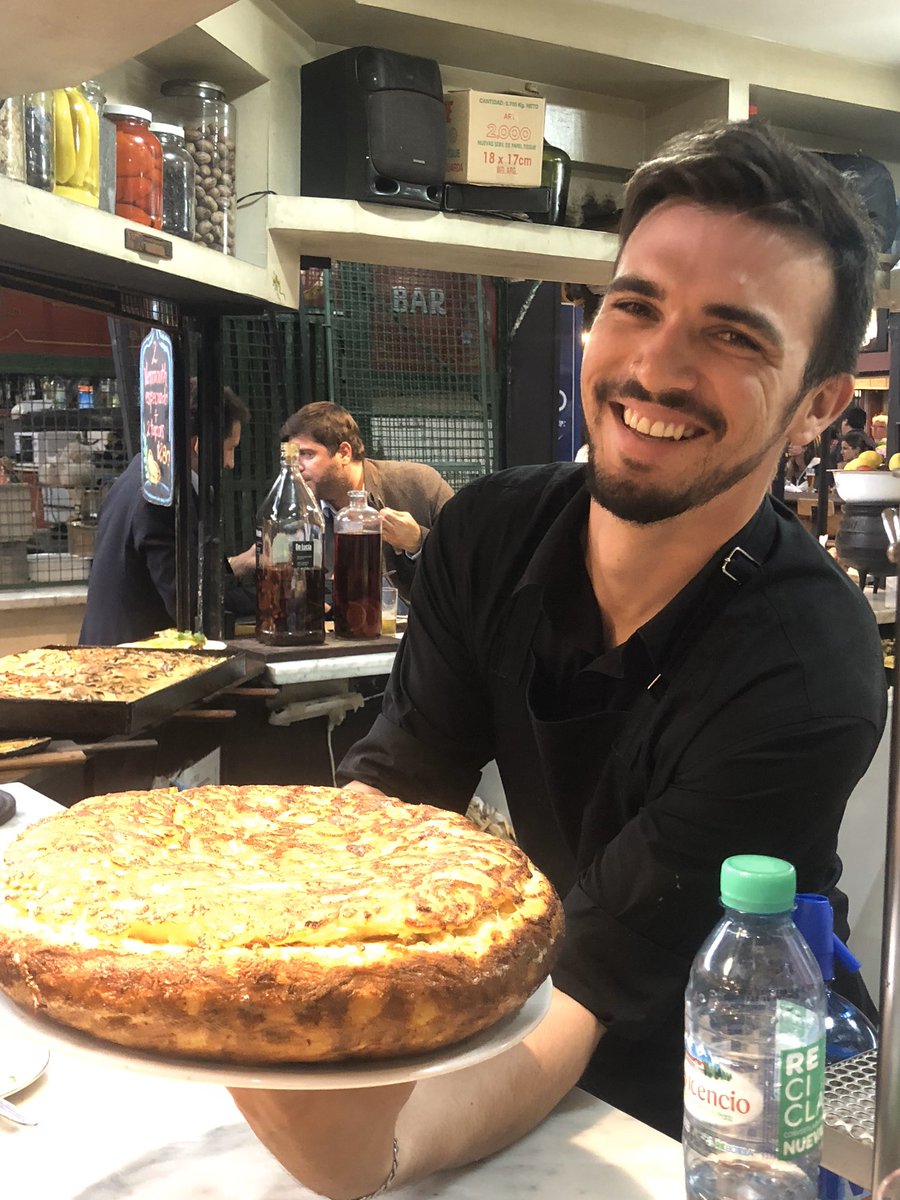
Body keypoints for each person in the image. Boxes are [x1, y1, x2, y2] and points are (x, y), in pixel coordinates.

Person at [230, 120, 887, 1197]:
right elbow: (402, 796)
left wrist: (379, 1150)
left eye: (734, 336)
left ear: (819, 405)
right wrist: (284, 965)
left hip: (729, 1083)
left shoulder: (809, 660)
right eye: (637, 306)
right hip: (526, 1027)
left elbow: (595, 973)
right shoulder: (490, 535)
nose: (656, 368)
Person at [79, 387, 252, 645]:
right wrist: (270, 596)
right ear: (199, 445)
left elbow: (168, 570)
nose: (230, 463)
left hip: (109, 648)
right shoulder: (164, 496)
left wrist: (238, 565)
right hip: (132, 663)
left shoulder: (141, 470)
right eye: (230, 448)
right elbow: (187, 601)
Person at [280, 402, 454, 603]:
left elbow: (470, 558)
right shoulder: (298, 513)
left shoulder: (419, 484)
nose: (296, 467)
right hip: (348, 630)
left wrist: (418, 542)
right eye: (293, 457)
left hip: (421, 628)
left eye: (306, 454)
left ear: (344, 453)